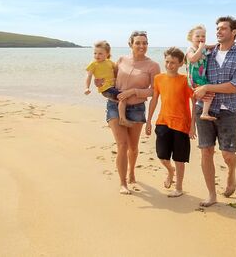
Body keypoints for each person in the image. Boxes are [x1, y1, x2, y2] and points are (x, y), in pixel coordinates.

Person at [193, 16, 236, 207]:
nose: (218, 31)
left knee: (227, 154)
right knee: (206, 151)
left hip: (228, 110)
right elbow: (192, 68)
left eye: (223, 29)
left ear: (233, 32)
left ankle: (231, 173)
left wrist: (208, 87)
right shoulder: (207, 53)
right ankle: (211, 194)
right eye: (217, 28)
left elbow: (235, 86)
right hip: (204, 108)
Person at [104, 31, 160, 195]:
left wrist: (134, 91)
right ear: (131, 44)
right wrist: (98, 82)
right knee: (122, 144)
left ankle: (132, 171)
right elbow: (110, 79)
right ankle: (123, 183)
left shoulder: (153, 66)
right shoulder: (121, 60)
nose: (142, 46)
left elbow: (154, 91)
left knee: (133, 147)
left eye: (145, 43)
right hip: (115, 105)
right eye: (138, 43)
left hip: (137, 109)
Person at [145, 47, 196, 198]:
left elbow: (195, 104)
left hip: (181, 124)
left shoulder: (186, 80)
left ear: (181, 63)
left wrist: (193, 126)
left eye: (173, 63)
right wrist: (148, 121)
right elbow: (154, 100)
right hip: (163, 121)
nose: (169, 65)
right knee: (162, 156)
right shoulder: (158, 78)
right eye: (167, 62)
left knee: (179, 159)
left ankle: (179, 187)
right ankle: (170, 171)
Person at [84, 40, 126, 121]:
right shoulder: (93, 64)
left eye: (100, 53)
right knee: (122, 96)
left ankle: (118, 117)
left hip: (113, 87)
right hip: (106, 89)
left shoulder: (109, 62)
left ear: (107, 54)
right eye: (95, 53)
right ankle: (122, 118)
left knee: (121, 98)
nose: (97, 55)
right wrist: (87, 88)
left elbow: (118, 70)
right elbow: (89, 76)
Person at [185, 25, 216, 121]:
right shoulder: (191, 49)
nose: (201, 38)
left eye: (203, 36)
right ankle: (204, 113)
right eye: (197, 36)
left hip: (201, 77)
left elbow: (212, 46)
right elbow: (193, 59)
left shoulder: (202, 46)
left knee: (209, 93)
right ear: (191, 38)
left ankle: (203, 110)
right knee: (210, 91)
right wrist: (201, 48)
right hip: (194, 78)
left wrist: (221, 44)